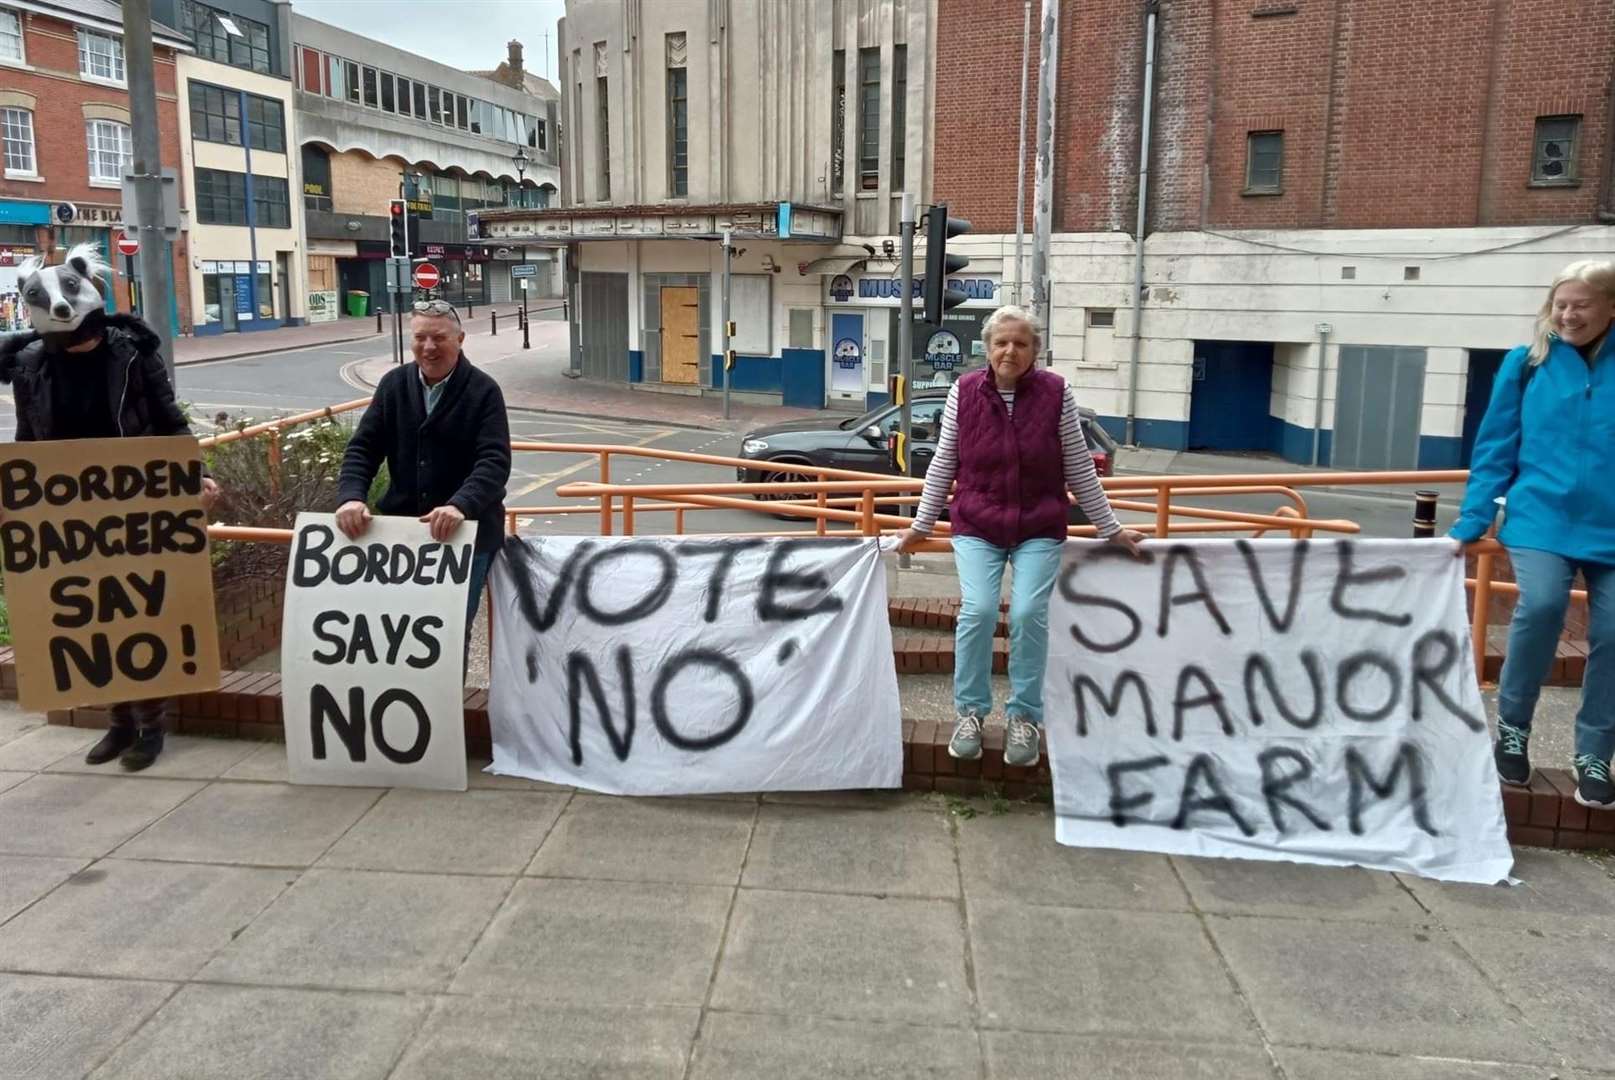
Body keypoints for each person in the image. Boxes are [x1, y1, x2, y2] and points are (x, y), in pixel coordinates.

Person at [0, 245, 220, 771]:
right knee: (93, 614)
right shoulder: (30, 365)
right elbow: (28, 438)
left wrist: (197, 476)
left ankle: (151, 725)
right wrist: (13, 496)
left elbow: (169, 422)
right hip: (71, 511)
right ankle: (118, 722)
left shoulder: (131, 352)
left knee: (141, 609)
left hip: (138, 505)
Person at [896, 305, 1144, 768]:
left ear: (1035, 351)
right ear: (987, 348)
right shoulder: (964, 392)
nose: (1010, 350)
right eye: (1001, 342)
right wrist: (921, 525)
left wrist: (1110, 529)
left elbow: (1077, 466)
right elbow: (943, 464)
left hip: (1039, 524)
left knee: (1030, 613)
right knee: (979, 610)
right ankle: (970, 712)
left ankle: (1024, 717)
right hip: (977, 523)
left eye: (1021, 343)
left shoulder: (1056, 393)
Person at [1452, 259, 1615, 808]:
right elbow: (1495, 446)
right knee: (1542, 607)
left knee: (1614, 636)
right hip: (1540, 518)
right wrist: (1474, 517)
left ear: (1611, 307)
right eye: (1560, 304)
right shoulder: (1528, 364)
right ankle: (1514, 729)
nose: (1567, 315)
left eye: (1581, 305)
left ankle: (1594, 751)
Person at [337, 300, 512, 653]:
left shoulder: (484, 390)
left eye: (439, 338)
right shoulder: (393, 385)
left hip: (466, 537)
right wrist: (351, 496)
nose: (428, 347)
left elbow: (494, 461)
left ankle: (446, 708)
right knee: (398, 627)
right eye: (420, 338)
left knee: (446, 633)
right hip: (404, 535)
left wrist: (460, 505)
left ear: (460, 339)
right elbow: (363, 449)